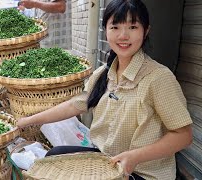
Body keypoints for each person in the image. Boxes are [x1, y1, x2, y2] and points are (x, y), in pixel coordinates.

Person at [17, 0, 193, 179]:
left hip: (142, 172)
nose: (123, 36)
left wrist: (135, 157)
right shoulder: (104, 73)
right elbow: (74, 105)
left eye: (133, 27)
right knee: (55, 154)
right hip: (107, 160)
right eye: (115, 27)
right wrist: (27, 121)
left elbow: (183, 136)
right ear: (106, 30)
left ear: (146, 31)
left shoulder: (158, 77)